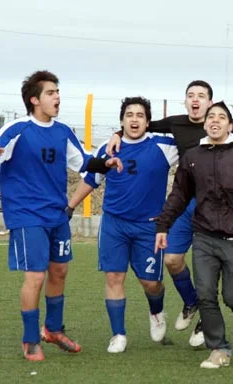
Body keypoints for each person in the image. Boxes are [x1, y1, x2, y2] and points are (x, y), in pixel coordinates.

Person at [0, 70, 122, 361]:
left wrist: (106, 163)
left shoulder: (63, 131)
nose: (57, 97)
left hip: (56, 214)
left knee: (60, 271)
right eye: (51, 93)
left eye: (57, 92)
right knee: (35, 276)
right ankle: (30, 340)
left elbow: (83, 162)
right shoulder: (18, 128)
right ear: (34, 100)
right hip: (26, 215)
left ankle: (53, 330)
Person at [106, 81, 233, 347]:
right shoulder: (177, 123)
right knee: (171, 260)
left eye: (201, 96)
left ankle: (207, 318)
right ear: (185, 101)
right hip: (187, 200)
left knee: (220, 279)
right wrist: (116, 133)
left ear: (211, 103)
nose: (195, 100)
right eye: (191, 95)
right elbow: (142, 125)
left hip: (216, 208)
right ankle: (192, 303)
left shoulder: (222, 124)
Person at [155, 101, 233, 369]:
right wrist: (163, 226)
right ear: (205, 123)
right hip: (204, 236)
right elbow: (179, 195)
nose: (215, 120)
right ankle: (219, 349)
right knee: (206, 295)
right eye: (211, 116)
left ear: (231, 126)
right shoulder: (192, 156)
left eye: (221, 117)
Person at [68, 97, 178, 353]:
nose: (135, 119)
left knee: (150, 283)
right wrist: (70, 206)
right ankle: (118, 334)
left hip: (149, 227)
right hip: (114, 224)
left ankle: (156, 312)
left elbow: (193, 140)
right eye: (129, 115)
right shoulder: (110, 149)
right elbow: (91, 179)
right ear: (122, 120)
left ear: (148, 122)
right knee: (114, 276)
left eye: (140, 115)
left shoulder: (164, 146)